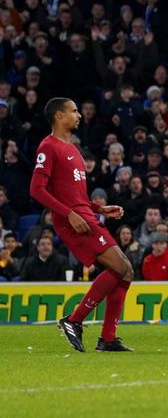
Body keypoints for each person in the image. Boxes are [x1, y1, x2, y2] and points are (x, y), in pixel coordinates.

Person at [29, 97, 134, 352]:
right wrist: (69, 215)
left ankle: (107, 338)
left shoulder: (74, 149)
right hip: (74, 221)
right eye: (74, 111)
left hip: (86, 215)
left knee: (125, 272)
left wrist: (100, 209)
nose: (78, 115)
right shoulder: (48, 147)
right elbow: (36, 190)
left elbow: (76, 195)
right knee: (122, 268)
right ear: (59, 116)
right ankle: (74, 320)